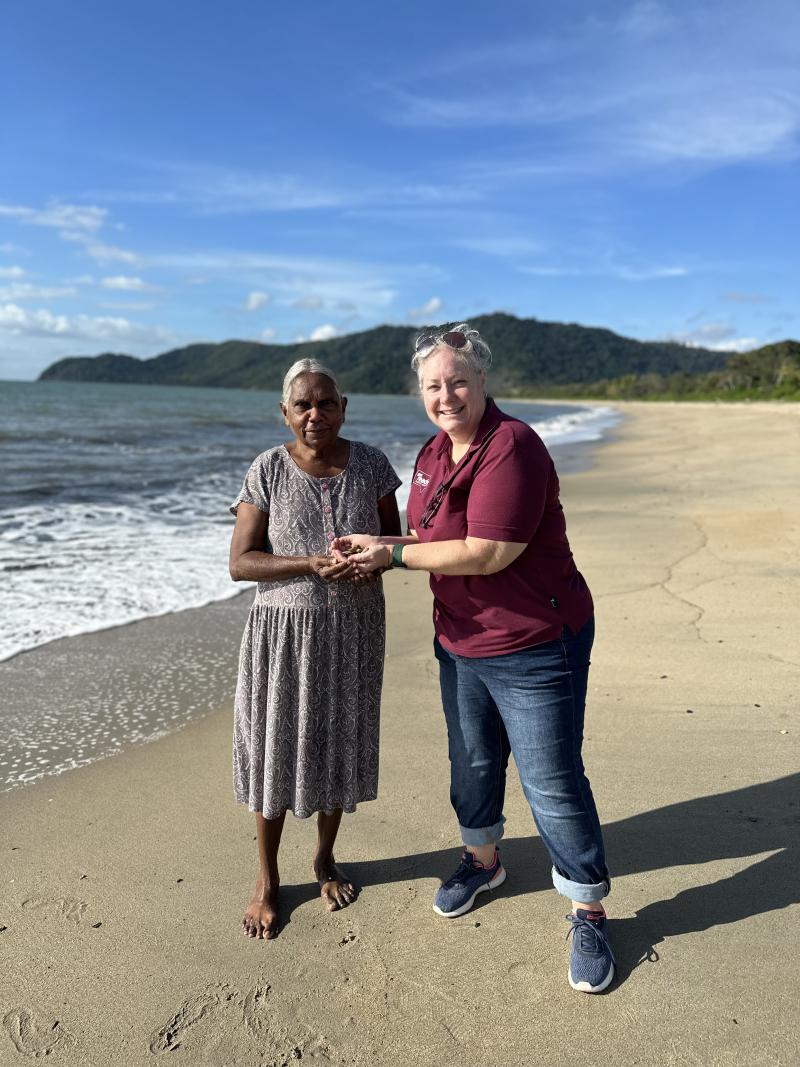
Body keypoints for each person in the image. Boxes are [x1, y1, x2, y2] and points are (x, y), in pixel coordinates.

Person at [332, 324, 614, 993]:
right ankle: (482, 860)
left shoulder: (511, 445)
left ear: (484, 381)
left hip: (535, 642)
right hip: (459, 640)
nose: (446, 394)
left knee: (551, 778)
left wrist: (390, 554)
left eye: (458, 380)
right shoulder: (432, 452)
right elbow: (434, 536)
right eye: (433, 385)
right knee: (473, 761)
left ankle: (588, 906)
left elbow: (490, 550)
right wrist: (378, 540)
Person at [228, 358, 401, 939]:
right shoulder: (266, 470)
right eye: (303, 404)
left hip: (352, 632)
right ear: (284, 412)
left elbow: (394, 544)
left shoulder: (373, 464)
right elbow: (240, 562)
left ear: (344, 408)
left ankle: (325, 859)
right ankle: (267, 879)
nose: (315, 414)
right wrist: (309, 563)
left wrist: (369, 565)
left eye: (326, 402)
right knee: (277, 744)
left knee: (338, 741)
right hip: (282, 638)